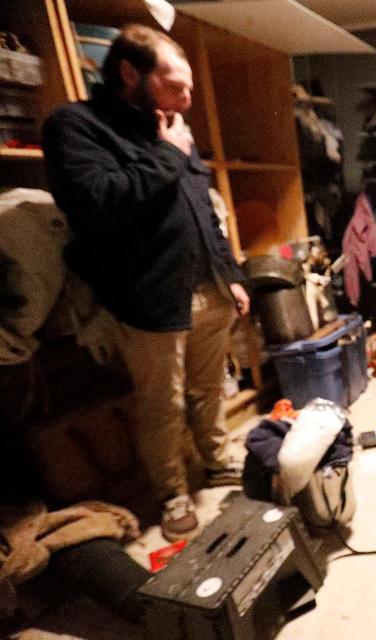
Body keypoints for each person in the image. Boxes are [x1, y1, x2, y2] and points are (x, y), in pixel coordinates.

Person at [41, 24, 250, 541]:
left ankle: (219, 459)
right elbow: (100, 203)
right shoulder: (77, 126)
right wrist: (169, 154)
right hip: (150, 298)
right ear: (130, 73)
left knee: (209, 389)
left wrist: (231, 275)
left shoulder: (173, 127)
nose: (185, 99)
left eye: (189, 90)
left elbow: (203, 210)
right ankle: (171, 492)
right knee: (162, 403)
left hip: (210, 288)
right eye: (174, 86)